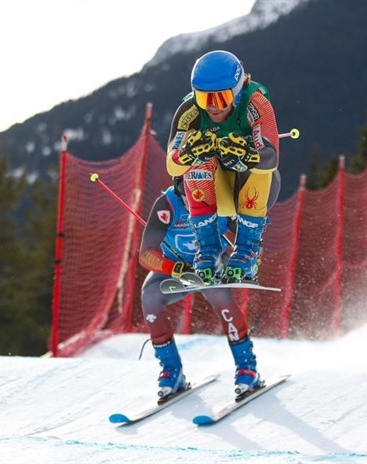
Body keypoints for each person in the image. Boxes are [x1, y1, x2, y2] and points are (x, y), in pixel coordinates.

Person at [138, 178, 263, 403]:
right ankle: (171, 372)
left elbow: (247, 236)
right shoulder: (167, 204)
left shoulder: (222, 201)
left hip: (213, 265)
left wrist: (248, 259)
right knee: (150, 297)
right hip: (177, 269)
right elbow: (146, 253)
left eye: (199, 198)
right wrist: (174, 268)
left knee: (219, 296)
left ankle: (247, 369)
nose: (193, 204)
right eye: (187, 197)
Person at [166, 49, 281, 285]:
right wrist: (188, 153)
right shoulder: (189, 111)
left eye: (221, 99)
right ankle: (209, 251)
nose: (212, 107)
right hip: (212, 191)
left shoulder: (255, 102)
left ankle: (247, 252)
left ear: (238, 93)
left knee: (258, 165)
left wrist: (247, 155)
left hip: (250, 189)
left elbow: (271, 157)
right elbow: (172, 165)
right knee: (197, 160)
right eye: (203, 98)